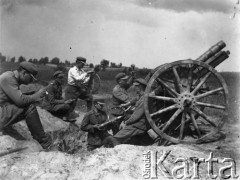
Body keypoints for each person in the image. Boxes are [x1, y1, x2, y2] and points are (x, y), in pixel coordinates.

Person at [0, 62, 52, 150]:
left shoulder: (11, 77)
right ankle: (45, 143)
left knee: (28, 102)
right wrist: (36, 96)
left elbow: (15, 98)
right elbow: (20, 101)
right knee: (29, 107)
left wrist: (34, 94)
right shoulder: (8, 78)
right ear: (24, 73)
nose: (32, 81)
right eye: (31, 78)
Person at [106, 78, 151, 146]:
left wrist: (125, 123)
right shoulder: (142, 96)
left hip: (138, 125)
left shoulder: (143, 100)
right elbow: (135, 99)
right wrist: (127, 104)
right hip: (139, 124)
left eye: (136, 86)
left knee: (115, 138)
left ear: (140, 87)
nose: (134, 88)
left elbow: (136, 116)